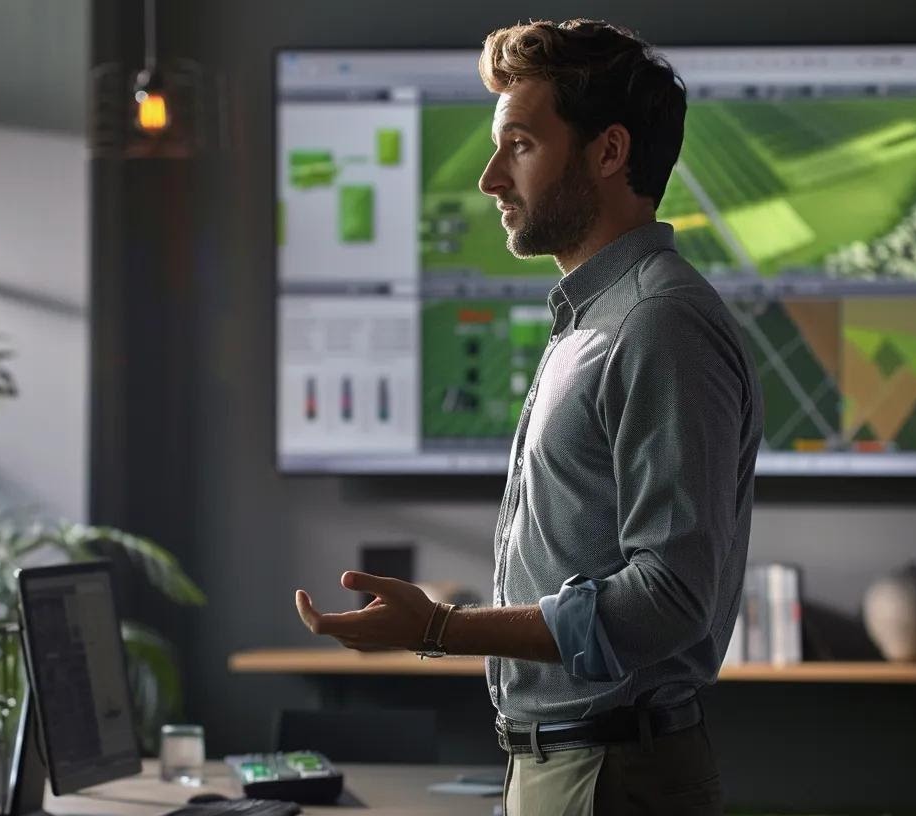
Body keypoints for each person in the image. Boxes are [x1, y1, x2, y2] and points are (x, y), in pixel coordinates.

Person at [295, 18, 762, 815]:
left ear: (608, 152)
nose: (489, 178)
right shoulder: (596, 317)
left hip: (612, 776)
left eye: (519, 146)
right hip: (567, 767)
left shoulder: (658, 325)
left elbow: (669, 600)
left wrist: (443, 627)